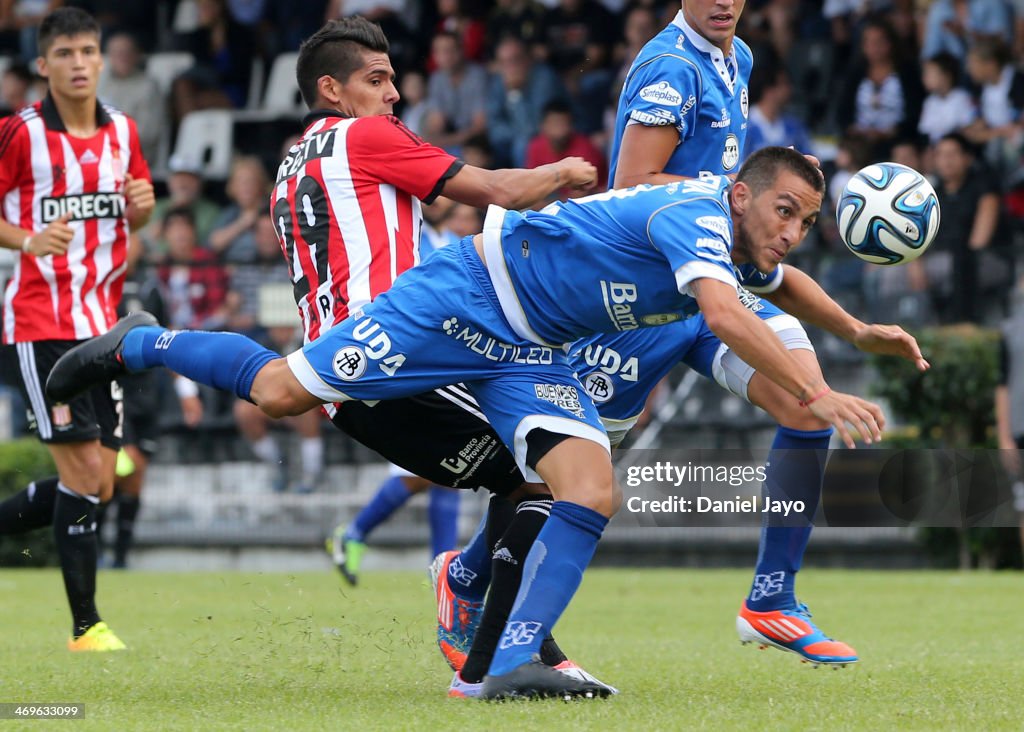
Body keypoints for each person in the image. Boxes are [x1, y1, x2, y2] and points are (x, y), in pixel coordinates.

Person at [48, 148, 888, 699]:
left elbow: (777, 289)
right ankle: (145, 339)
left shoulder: (744, 239)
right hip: (462, 296)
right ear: (742, 194)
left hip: (531, 350)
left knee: (589, 484)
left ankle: (507, 660)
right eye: (784, 210)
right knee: (280, 393)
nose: (791, 231)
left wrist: (856, 332)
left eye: (806, 221)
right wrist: (816, 394)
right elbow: (725, 313)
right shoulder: (695, 215)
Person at [0, 7, 155, 650]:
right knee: (85, 468)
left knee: (98, 479)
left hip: (103, 327)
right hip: (40, 322)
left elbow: (134, 223)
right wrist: (28, 239)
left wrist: (141, 212)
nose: (79, 63)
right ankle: (86, 627)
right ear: (43, 64)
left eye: (88, 51)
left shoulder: (124, 130)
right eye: (64, 53)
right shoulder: (19, 134)